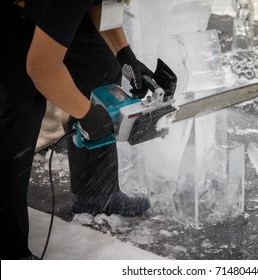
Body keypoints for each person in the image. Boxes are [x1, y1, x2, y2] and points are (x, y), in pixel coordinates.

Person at [0, 0, 152, 260]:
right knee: (20, 112)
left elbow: (98, 3)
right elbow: (42, 68)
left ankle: (97, 194)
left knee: (100, 65)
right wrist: (88, 114)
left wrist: (125, 54)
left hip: (51, 8)